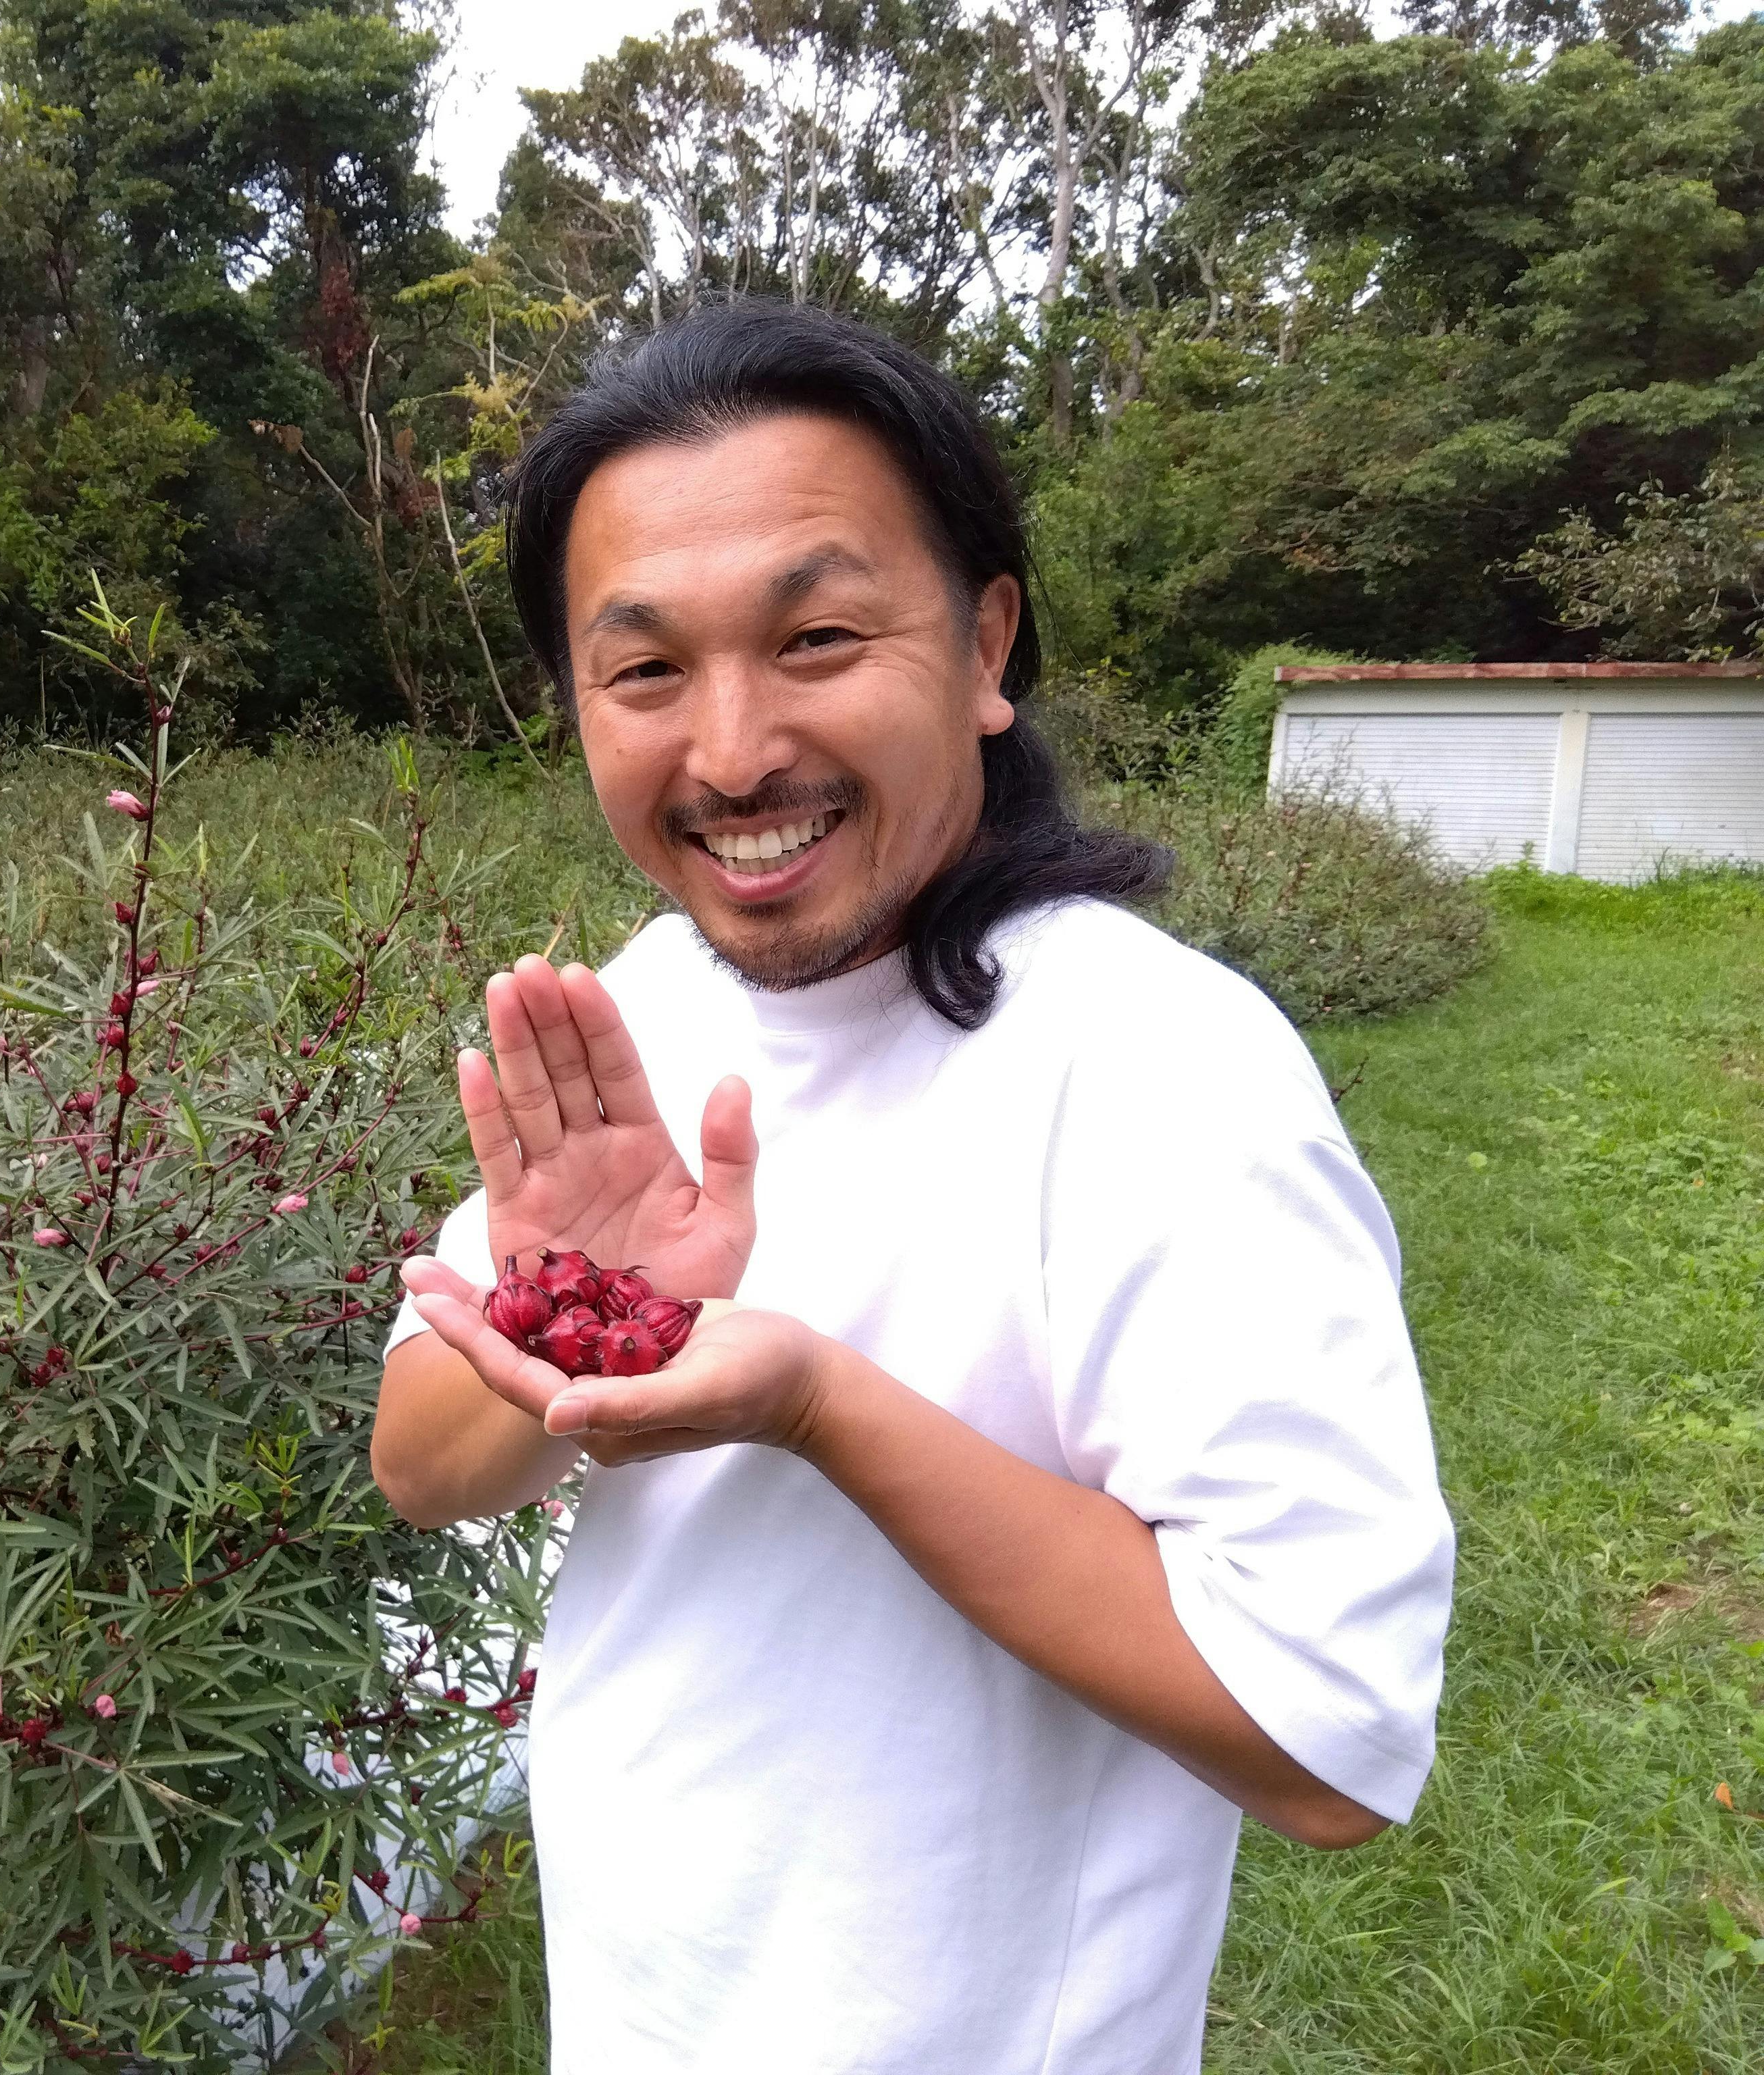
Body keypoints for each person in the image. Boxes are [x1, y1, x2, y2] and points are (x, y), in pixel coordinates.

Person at [374, 304, 1455, 2073]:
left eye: (815, 637)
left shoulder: (1154, 1068)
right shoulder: (647, 1004)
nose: (731, 752)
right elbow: (423, 1472)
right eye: (645, 671)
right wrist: (564, 1315)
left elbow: (1325, 1741)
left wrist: (815, 1404)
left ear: (982, 644)